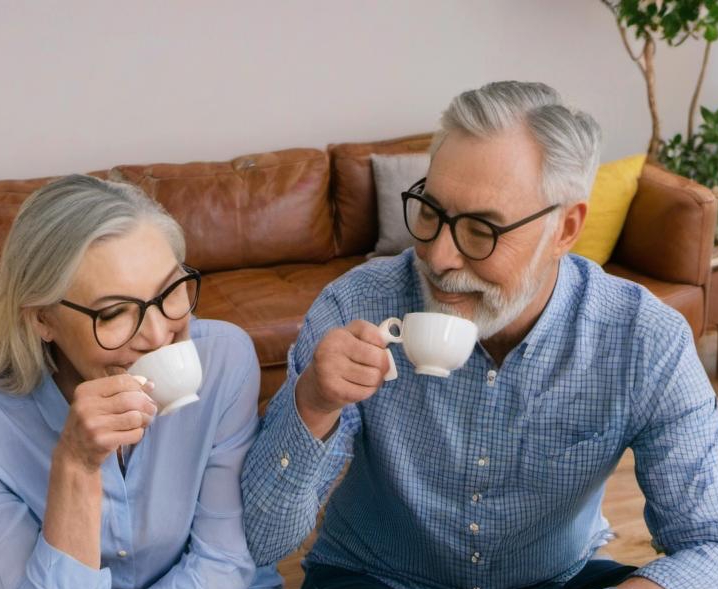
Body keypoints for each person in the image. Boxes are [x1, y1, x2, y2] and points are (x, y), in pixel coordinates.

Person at [241, 81, 718, 589]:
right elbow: (262, 542)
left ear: (565, 229)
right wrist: (313, 403)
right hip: (377, 575)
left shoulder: (645, 340)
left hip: (554, 580)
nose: (440, 258)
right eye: (431, 211)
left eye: (481, 229)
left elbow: (708, 541)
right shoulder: (355, 306)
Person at [0, 175, 282, 588]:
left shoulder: (223, 359)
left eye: (170, 291)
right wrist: (76, 465)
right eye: (113, 314)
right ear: (41, 318)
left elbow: (222, 559)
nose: (159, 335)